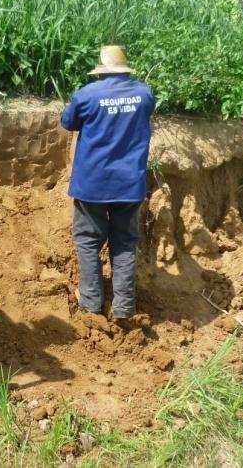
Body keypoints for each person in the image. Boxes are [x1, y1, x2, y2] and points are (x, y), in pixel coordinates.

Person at [61, 45, 155, 321]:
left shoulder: (87, 94)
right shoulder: (144, 94)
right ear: (125, 69)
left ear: (100, 71)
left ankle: (91, 306)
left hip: (93, 185)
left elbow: (68, 121)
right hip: (129, 185)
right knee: (125, 243)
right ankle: (124, 308)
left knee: (88, 241)